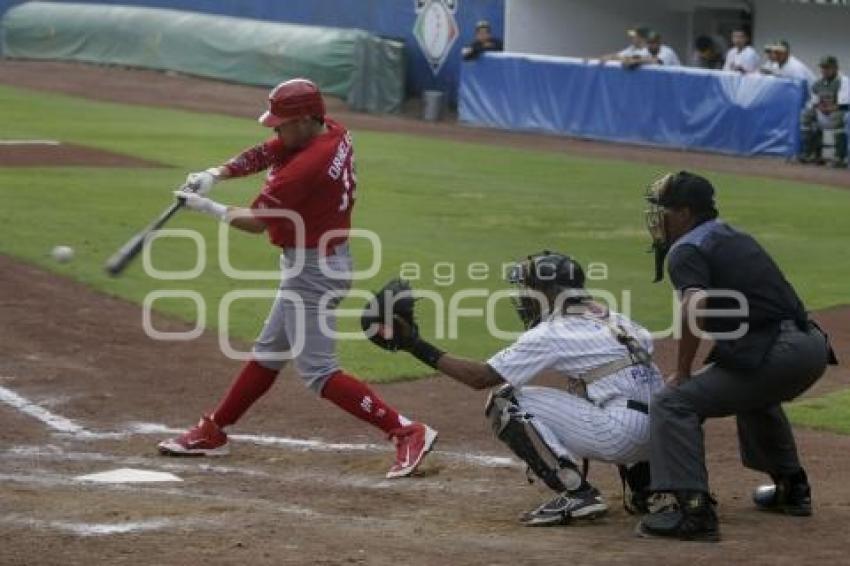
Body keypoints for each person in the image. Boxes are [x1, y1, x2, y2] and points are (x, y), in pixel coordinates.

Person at [156, 78, 438, 479]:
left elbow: (255, 223)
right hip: (319, 261)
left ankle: (407, 431)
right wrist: (218, 172)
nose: (276, 130)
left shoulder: (305, 168)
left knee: (319, 372)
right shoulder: (333, 131)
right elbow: (273, 148)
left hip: (314, 272)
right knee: (269, 352)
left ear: (306, 119)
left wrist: (206, 206)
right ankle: (214, 430)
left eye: (282, 123)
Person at [362, 253, 664, 527]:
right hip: (662, 436)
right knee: (607, 386)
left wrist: (415, 345)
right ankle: (647, 486)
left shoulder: (552, 332)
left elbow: (480, 378)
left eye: (530, 289)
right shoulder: (616, 318)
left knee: (506, 401)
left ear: (551, 292)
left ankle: (576, 493)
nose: (524, 298)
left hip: (620, 436)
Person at [637, 171, 837, 542]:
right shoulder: (727, 233)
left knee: (673, 403)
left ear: (684, 212)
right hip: (809, 346)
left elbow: (694, 306)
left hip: (778, 350)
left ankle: (692, 512)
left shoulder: (686, 249)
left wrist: (682, 370)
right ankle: (792, 488)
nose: (658, 218)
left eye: (663, 209)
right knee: (750, 389)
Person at [799, 55, 849, 167]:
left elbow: (843, 105)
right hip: (824, 113)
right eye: (823, 68)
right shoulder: (818, 82)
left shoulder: (843, 81)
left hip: (841, 114)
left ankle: (840, 157)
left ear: (835, 68)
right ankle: (812, 154)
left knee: (837, 116)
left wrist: (826, 109)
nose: (824, 70)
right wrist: (820, 108)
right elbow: (814, 102)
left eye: (828, 67)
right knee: (806, 115)